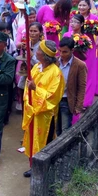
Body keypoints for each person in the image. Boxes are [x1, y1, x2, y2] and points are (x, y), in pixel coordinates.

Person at [22, 40, 65, 177]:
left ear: (44, 55)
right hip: (33, 111)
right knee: (32, 140)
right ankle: (33, 166)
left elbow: (53, 97)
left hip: (45, 116)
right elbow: (27, 87)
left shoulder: (56, 73)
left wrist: (36, 89)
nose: (36, 51)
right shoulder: (37, 67)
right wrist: (28, 102)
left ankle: (43, 170)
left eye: (39, 50)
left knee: (44, 142)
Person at [56, 37, 87, 135]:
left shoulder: (80, 65)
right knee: (56, 129)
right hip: (55, 100)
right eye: (60, 51)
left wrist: (79, 106)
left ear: (72, 50)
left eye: (64, 52)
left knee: (65, 130)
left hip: (67, 100)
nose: (61, 54)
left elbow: (82, 87)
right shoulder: (55, 62)